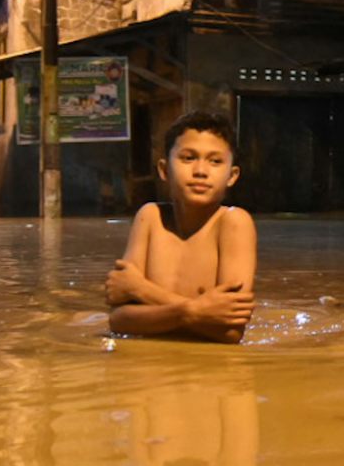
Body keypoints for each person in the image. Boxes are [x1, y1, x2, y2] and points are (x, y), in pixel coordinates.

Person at [104, 110, 257, 344]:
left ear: (232, 175)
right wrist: (196, 312)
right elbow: (119, 320)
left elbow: (230, 332)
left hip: (208, 374)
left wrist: (142, 290)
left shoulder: (234, 223)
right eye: (188, 158)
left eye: (215, 161)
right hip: (149, 371)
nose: (200, 171)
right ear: (164, 169)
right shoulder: (150, 218)